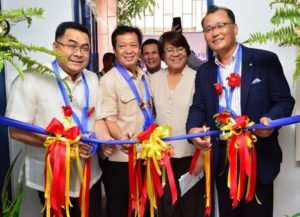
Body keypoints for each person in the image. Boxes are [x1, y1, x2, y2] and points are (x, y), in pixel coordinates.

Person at [186, 6, 295, 217]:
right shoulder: (205, 72)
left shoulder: (265, 61)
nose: (215, 32)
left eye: (220, 26)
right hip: (222, 159)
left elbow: (284, 100)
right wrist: (192, 131)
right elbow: (198, 107)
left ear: (234, 28)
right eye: (208, 29)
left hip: (258, 156)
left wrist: (271, 121)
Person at [6, 21, 109, 217]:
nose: (78, 53)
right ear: (55, 47)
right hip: (53, 179)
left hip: (90, 175)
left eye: (85, 48)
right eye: (71, 46)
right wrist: (66, 146)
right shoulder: (31, 78)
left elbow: (98, 119)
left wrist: (106, 142)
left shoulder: (93, 79)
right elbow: (16, 130)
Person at [99, 25, 153, 217]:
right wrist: (124, 141)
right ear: (115, 49)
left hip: (146, 156)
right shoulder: (109, 81)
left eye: (133, 45)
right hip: (121, 160)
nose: (128, 51)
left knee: (146, 207)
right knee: (121, 208)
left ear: (139, 49)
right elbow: (109, 120)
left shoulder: (144, 76)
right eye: (122, 46)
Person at [150, 31, 205, 217]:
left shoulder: (199, 77)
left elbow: (206, 117)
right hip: (162, 159)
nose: (175, 54)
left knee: (191, 208)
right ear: (163, 55)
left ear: (187, 51)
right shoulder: (153, 79)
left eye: (180, 49)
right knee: (167, 209)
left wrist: (201, 155)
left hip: (191, 156)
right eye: (170, 50)